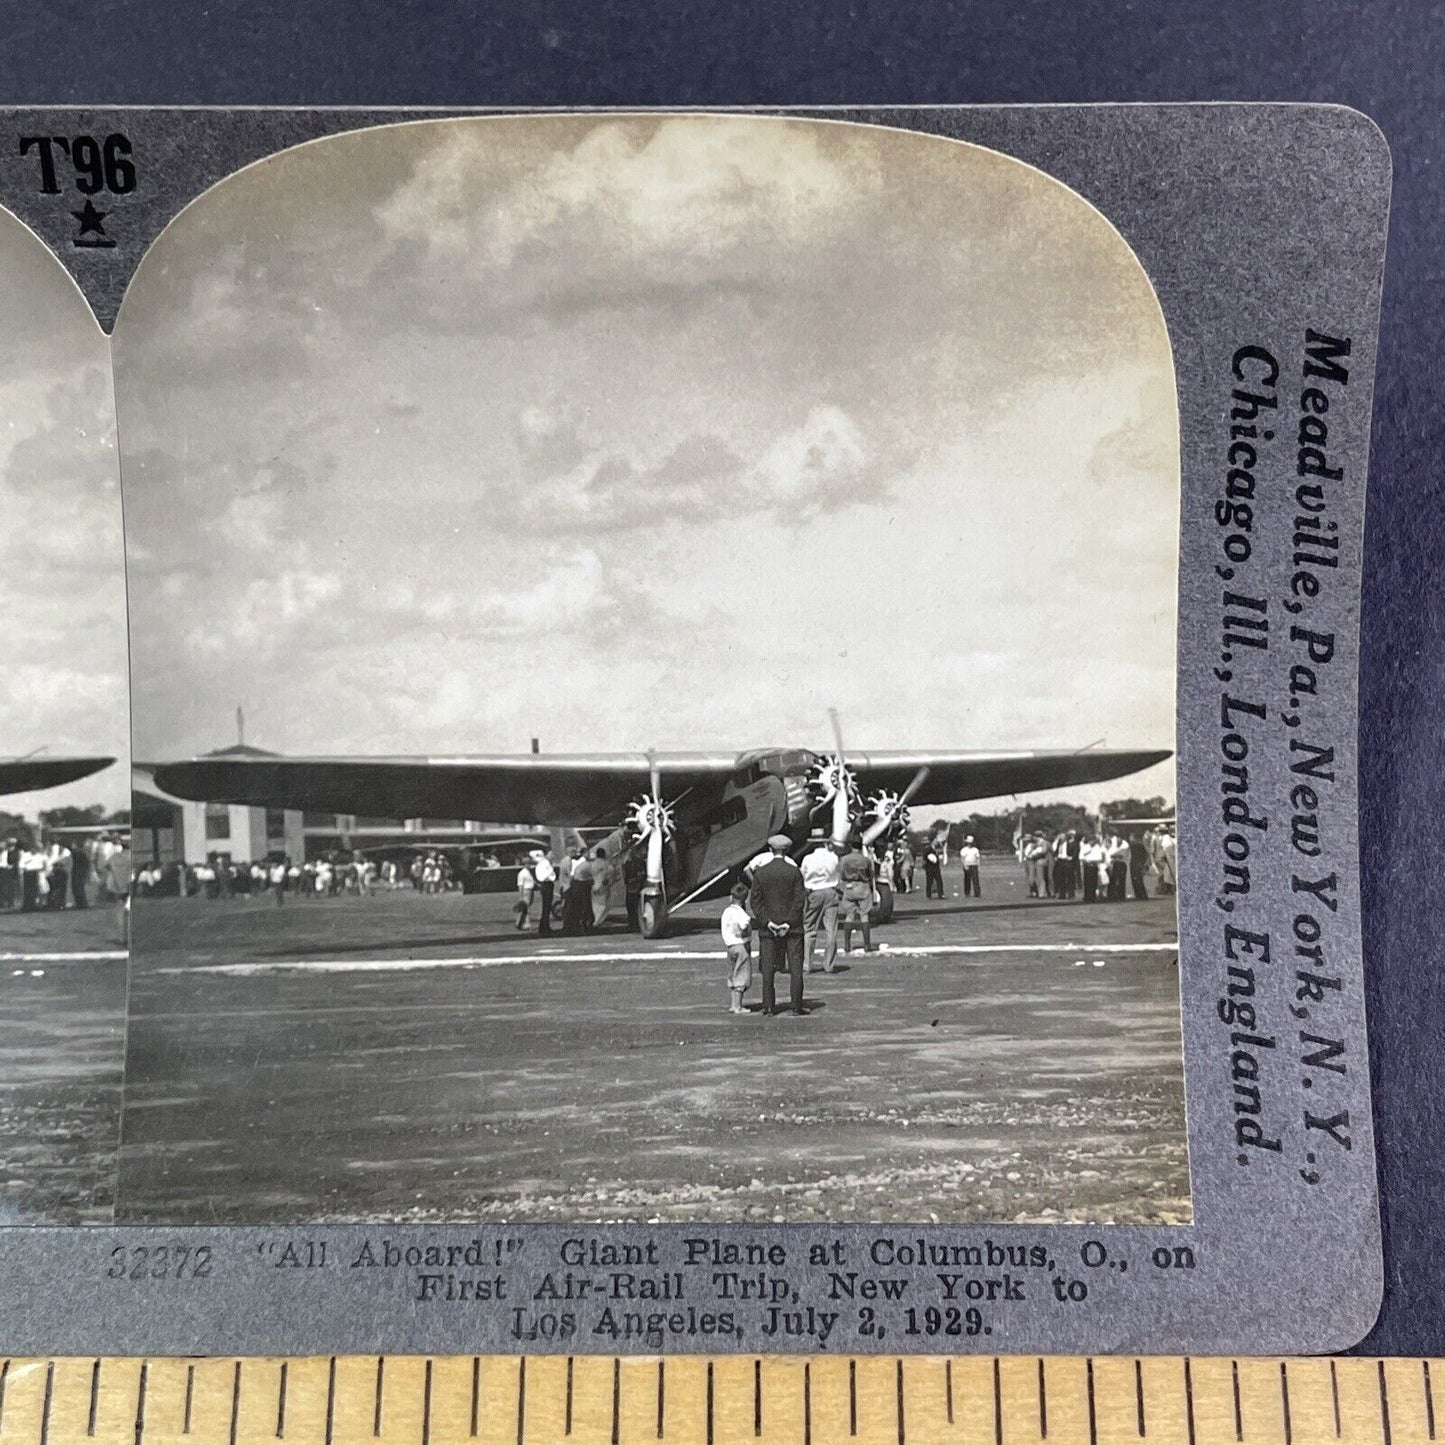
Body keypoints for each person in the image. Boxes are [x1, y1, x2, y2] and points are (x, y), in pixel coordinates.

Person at [748, 834, 806, 1016]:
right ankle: (796, 1005)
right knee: (796, 968)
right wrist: (788, 922)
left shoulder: (761, 872)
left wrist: (768, 922)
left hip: (768, 929)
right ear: (787, 850)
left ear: (771, 849)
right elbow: (799, 900)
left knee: (767, 969)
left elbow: (755, 902)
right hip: (793, 928)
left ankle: (769, 1006)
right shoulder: (794, 871)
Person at [799, 832, 841, 974]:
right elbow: (837, 872)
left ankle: (807, 964)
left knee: (809, 929)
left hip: (814, 892)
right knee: (831, 930)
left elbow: (803, 875)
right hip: (830, 891)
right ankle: (829, 965)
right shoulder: (833, 857)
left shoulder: (808, 858)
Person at [720, 881, 754, 1015]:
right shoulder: (742, 914)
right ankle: (739, 1006)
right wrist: (743, 932)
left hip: (730, 945)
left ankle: (733, 1004)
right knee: (741, 975)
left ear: (731, 897)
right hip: (741, 945)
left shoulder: (726, 912)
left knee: (733, 974)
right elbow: (745, 924)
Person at [838, 841, 876, 954]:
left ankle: (847, 944)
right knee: (864, 915)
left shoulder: (844, 859)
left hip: (849, 887)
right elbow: (871, 874)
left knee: (849, 915)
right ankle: (867, 944)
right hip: (862, 886)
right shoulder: (865, 860)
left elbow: (840, 873)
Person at [532, 848, 557, 935]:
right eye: (551, 854)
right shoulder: (545, 863)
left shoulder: (545, 863)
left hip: (546, 884)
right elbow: (545, 875)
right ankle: (544, 927)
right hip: (546, 884)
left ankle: (544, 925)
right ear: (547, 855)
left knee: (546, 907)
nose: (552, 856)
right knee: (546, 906)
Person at [590, 846, 615, 930]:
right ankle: (598, 922)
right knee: (604, 905)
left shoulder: (592, 864)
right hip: (603, 886)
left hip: (594, 885)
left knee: (595, 904)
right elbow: (611, 872)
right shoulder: (606, 864)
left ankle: (596, 921)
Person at [622, 848, 646, 931]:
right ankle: (633, 923)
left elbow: (641, 874)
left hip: (634, 885)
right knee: (632, 906)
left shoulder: (635, 862)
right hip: (633, 885)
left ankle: (633, 924)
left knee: (632, 906)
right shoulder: (629, 863)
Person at [514, 858, 536, 929]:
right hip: (526, 891)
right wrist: (521, 896)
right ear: (525, 864)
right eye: (529, 863)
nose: (530, 865)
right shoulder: (522, 873)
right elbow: (520, 885)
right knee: (525, 908)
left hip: (530, 890)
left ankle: (519, 923)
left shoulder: (528, 872)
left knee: (525, 908)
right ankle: (526, 924)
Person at [1128, 834, 1150, 900]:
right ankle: (1142, 895)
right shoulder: (1141, 844)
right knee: (1139, 879)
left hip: (1134, 863)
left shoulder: (1133, 844)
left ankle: (1139, 895)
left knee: (1135, 880)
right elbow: (1146, 854)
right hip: (1140, 863)